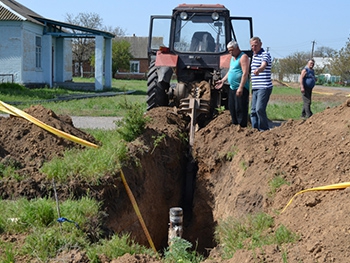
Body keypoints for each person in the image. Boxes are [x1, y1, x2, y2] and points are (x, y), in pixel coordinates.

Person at [215, 41, 250, 127]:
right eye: (229, 50)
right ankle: (235, 126)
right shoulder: (232, 58)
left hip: (240, 88)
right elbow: (230, 71)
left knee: (240, 109)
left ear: (237, 48)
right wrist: (222, 80)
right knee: (232, 108)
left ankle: (241, 128)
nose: (230, 52)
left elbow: (245, 73)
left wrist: (241, 87)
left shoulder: (243, 57)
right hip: (232, 88)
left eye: (231, 50)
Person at [250, 36, 273, 131]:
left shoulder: (265, 54)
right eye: (252, 46)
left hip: (264, 87)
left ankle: (264, 129)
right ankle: (254, 130)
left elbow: (263, 65)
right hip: (255, 87)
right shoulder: (253, 56)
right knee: (253, 111)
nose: (254, 48)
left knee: (259, 109)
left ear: (260, 44)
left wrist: (259, 69)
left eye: (255, 45)